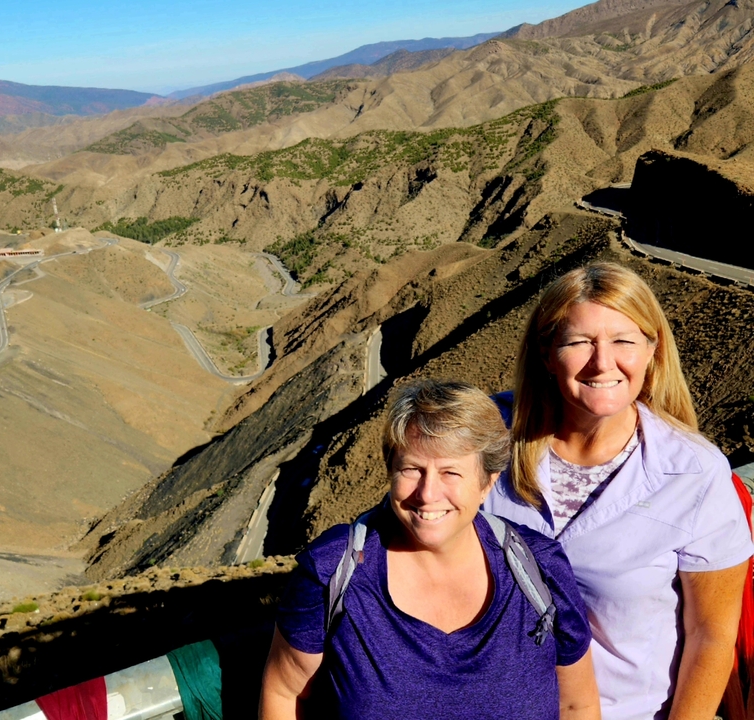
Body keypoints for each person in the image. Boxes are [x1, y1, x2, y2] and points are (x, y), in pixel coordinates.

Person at [483, 262, 754, 720]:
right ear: (546, 353)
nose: (602, 362)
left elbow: (711, 635)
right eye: (578, 342)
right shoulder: (487, 438)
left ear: (653, 350)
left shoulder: (693, 473)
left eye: (623, 341)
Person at [260, 379, 600, 719]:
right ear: (391, 470)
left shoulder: (539, 571)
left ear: (488, 482)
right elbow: (284, 692)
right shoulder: (332, 572)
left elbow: (576, 705)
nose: (427, 493)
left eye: (451, 472)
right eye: (412, 469)